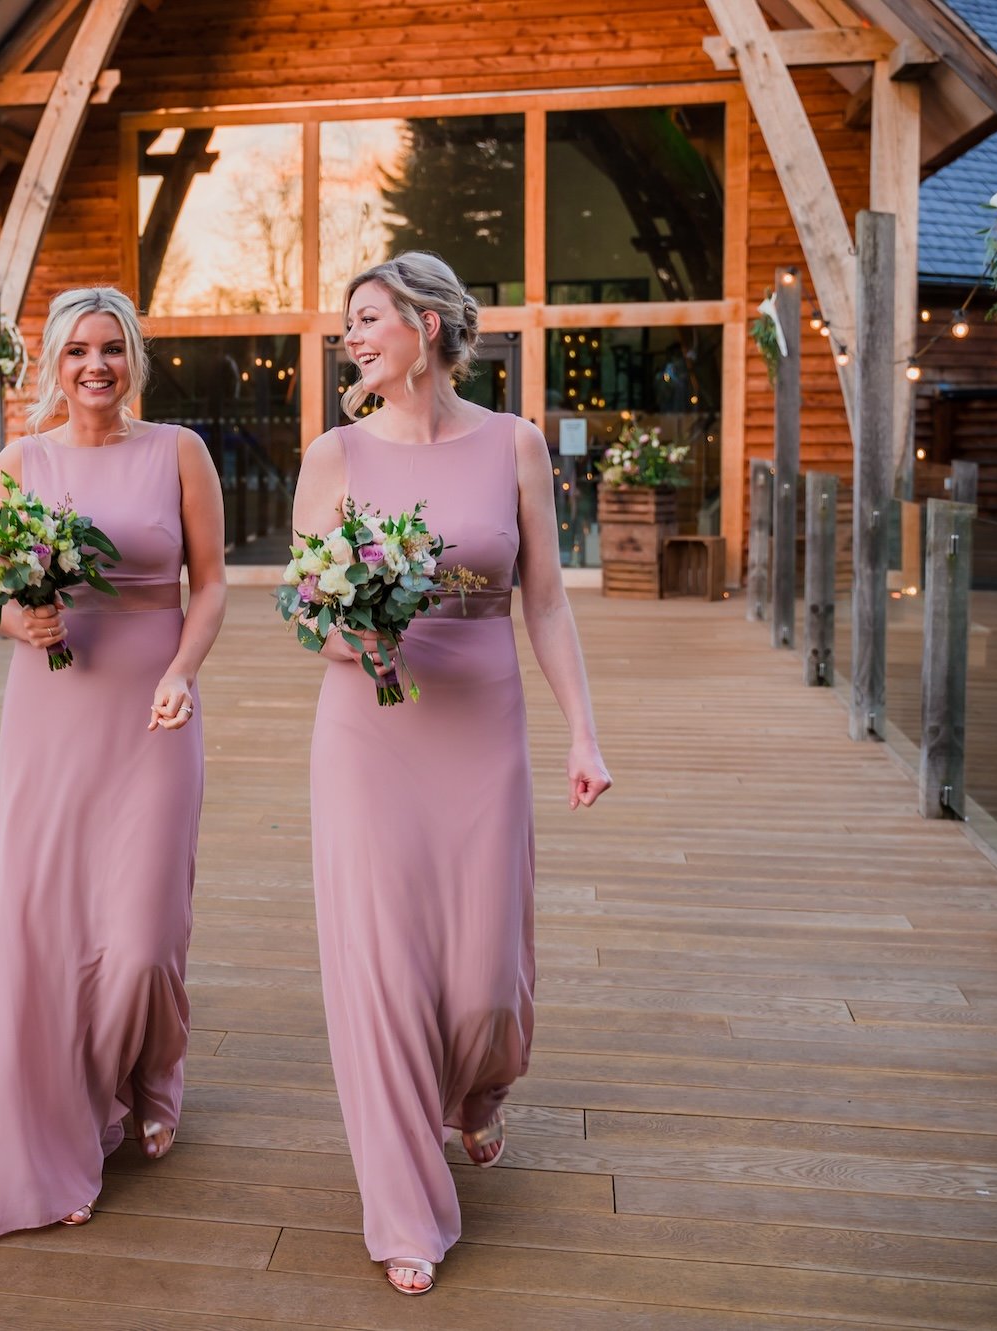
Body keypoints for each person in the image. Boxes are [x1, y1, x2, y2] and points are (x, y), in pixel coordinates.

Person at [292, 253, 612, 1294]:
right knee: (381, 970)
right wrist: (358, 642)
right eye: (347, 322)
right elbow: (307, 607)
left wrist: (582, 733)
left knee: (483, 982)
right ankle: (403, 1212)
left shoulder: (513, 444)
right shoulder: (332, 453)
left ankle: (475, 1089)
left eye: (369, 317)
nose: (352, 335)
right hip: (365, 732)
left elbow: (547, 603)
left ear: (426, 325)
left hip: (482, 724)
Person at [0, 286, 227, 1236]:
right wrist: (14, 616)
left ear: (134, 359)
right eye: (77, 350)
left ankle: (153, 1064)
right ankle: (85, 1103)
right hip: (53, 709)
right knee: (51, 924)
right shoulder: (20, 460)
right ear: (53, 363)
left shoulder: (179, 452)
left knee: (146, 932)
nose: (95, 366)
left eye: (111, 348)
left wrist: (184, 671)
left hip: (155, 710)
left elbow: (210, 585)